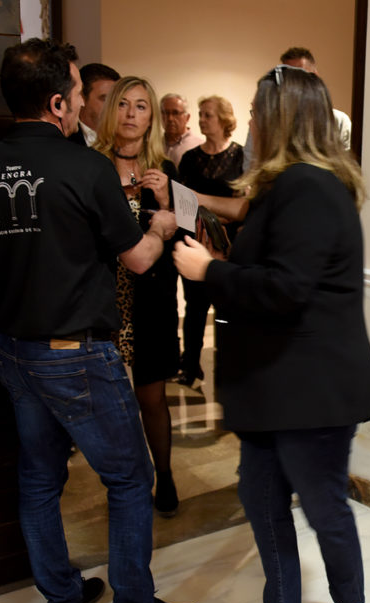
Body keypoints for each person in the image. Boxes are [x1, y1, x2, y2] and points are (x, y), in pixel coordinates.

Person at [0, 38, 198, 603]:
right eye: (81, 92)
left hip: (14, 352)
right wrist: (163, 226)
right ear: (59, 104)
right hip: (77, 354)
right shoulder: (84, 167)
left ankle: (61, 598)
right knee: (130, 479)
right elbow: (138, 259)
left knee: (39, 480)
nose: (89, 103)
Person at [173, 64, 370, 603]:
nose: (252, 124)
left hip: (312, 388)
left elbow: (287, 289)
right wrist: (220, 258)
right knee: (261, 498)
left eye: (257, 113)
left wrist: (210, 271)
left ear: (281, 118)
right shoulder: (286, 187)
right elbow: (275, 269)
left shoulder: (310, 188)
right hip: (274, 384)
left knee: (323, 505)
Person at [93, 77, 183, 516]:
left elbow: (187, 234)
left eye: (142, 106)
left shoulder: (165, 169)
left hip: (151, 301)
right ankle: (127, 485)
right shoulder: (91, 166)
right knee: (109, 403)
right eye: (124, 104)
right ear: (112, 111)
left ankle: (164, 474)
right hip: (103, 300)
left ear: (152, 119)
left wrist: (167, 199)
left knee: (151, 397)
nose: (131, 114)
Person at [175, 95, 244, 387]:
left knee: (226, 310)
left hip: (228, 247)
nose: (201, 120)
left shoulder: (241, 157)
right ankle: (191, 366)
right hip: (196, 241)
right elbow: (181, 204)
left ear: (224, 120)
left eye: (208, 115)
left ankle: (226, 369)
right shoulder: (190, 159)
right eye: (200, 114)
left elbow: (245, 206)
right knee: (194, 307)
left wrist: (221, 217)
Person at [242, 47, 351, 173]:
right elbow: (250, 166)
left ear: (315, 78)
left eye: (299, 75)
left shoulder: (338, 121)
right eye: (286, 77)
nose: (291, 84)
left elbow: (342, 169)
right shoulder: (264, 122)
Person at [68, 62, 120, 146]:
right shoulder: (66, 137)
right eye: (105, 99)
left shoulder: (124, 139)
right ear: (82, 98)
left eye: (117, 101)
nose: (113, 106)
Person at [161, 93, 205, 166]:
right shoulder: (153, 145)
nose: (170, 118)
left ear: (187, 117)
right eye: (166, 113)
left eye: (175, 113)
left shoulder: (199, 147)